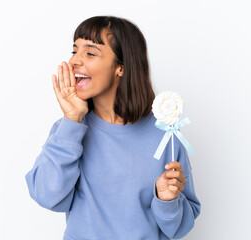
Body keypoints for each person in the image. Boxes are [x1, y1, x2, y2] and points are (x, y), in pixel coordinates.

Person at [25, 15, 201, 240]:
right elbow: (47, 196)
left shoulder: (167, 137)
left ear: (121, 67)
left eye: (90, 53)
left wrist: (166, 200)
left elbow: (178, 228)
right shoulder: (69, 129)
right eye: (74, 51)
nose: (74, 61)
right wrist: (72, 120)